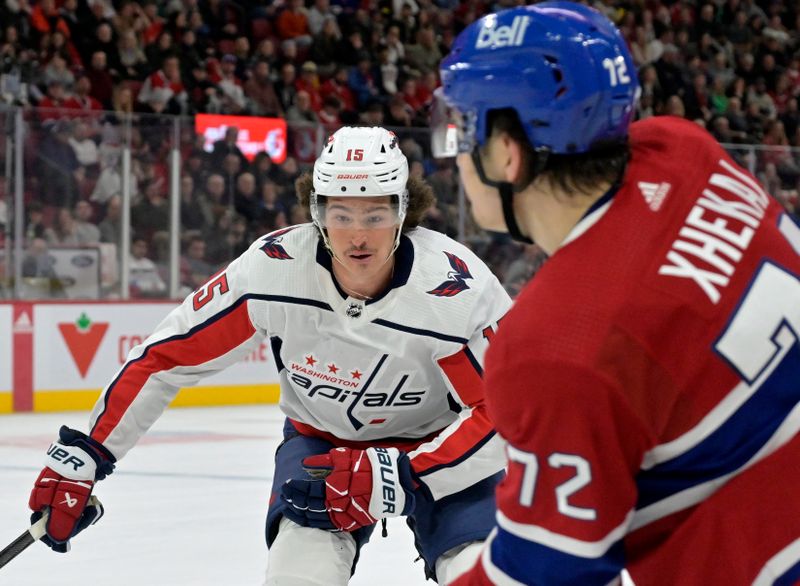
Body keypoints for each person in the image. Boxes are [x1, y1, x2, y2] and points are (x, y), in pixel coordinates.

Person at [26, 126, 511, 585]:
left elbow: (508, 412)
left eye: (375, 216)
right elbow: (164, 359)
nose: (358, 236)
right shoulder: (274, 269)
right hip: (322, 445)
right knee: (296, 577)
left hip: (445, 447)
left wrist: (407, 474)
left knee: (480, 573)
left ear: (404, 212)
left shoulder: (454, 288)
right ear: (316, 212)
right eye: (341, 215)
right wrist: (85, 454)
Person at [437, 3, 800, 585]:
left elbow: (545, 575)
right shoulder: (686, 151)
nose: (453, 156)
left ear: (507, 151)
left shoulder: (555, 348)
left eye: (459, 128)